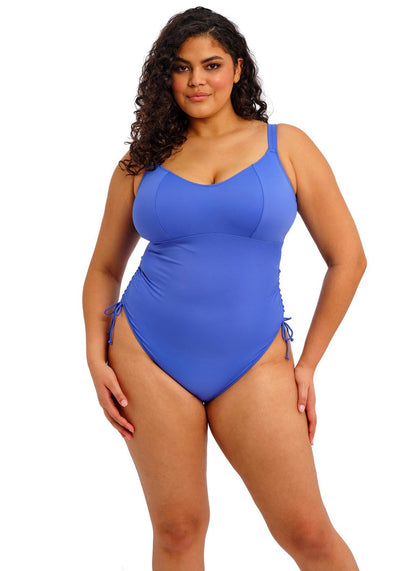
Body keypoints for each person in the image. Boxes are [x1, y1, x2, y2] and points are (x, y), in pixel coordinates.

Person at [82, 6, 366, 570]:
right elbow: (104, 270)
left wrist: (308, 364)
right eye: (181, 67)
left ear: (237, 69)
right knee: (177, 531)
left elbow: (348, 260)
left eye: (211, 65)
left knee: (307, 533)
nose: (196, 81)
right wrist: (96, 355)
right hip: (148, 356)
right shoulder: (140, 163)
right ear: (166, 76)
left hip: (255, 360)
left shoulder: (287, 146)